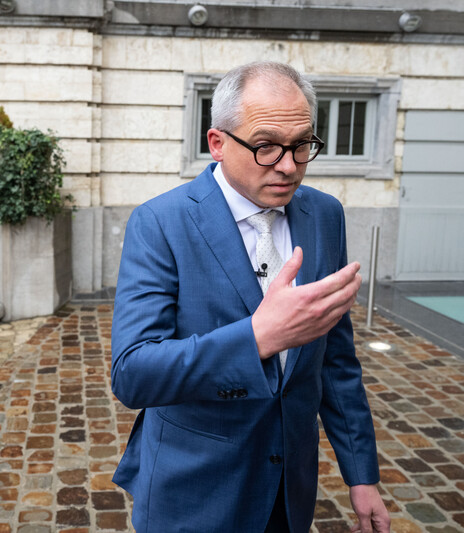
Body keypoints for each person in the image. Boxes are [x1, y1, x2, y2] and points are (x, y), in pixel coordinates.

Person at [110, 61, 390, 533]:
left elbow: (335, 361)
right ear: (217, 143)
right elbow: (133, 374)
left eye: (302, 145)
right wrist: (257, 337)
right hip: (194, 490)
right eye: (265, 147)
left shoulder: (325, 215)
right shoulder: (161, 223)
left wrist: (361, 475)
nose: (288, 165)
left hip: (288, 491)